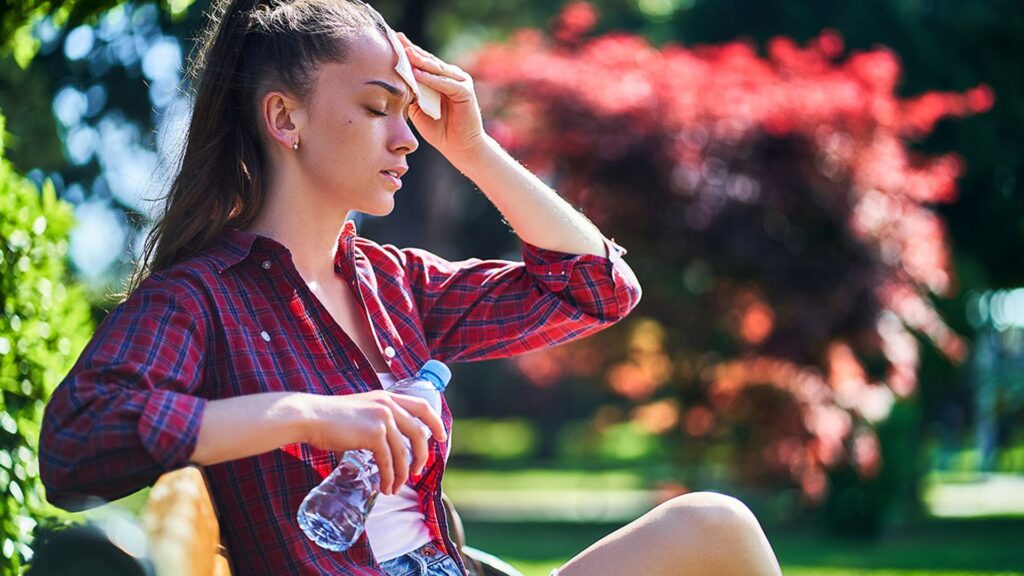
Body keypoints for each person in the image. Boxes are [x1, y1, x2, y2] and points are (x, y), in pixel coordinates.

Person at [37, 0, 783, 574]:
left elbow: (598, 290)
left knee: (717, 527)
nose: (405, 138)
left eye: (407, 112)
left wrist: (475, 148)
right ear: (284, 118)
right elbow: (76, 444)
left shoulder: (396, 285)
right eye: (374, 109)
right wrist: (304, 415)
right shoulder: (199, 300)